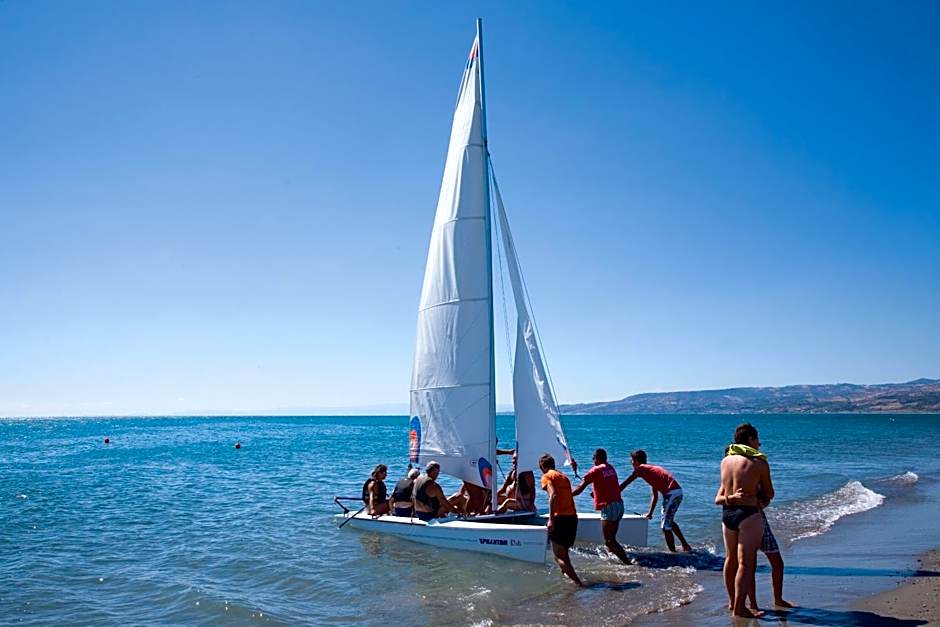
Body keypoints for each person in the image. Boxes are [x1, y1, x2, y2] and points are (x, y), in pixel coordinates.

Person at [723, 444, 794, 612]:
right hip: (753, 518)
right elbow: (769, 493)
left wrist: (735, 499)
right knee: (750, 564)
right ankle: (751, 604)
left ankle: (752, 603)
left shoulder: (732, 470)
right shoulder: (754, 467)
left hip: (740, 517)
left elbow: (720, 498)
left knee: (745, 563)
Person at [715, 423, 775, 618]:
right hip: (748, 514)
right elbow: (769, 492)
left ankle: (733, 602)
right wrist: (760, 499)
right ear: (750, 440)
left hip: (727, 513)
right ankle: (741, 608)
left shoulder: (725, 461)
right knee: (746, 563)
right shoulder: (758, 463)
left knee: (730, 559)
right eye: (757, 440)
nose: (759, 444)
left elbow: (722, 491)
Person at [620, 450, 693, 552]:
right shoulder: (650, 471)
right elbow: (655, 496)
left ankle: (673, 553)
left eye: (631, 460)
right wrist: (650, 513)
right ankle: (686, 546)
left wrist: (612, 494)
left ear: (636, 460)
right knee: (669, 521)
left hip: (672, 494)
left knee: (665, 527)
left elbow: (627, 482)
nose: (631, 463)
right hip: (676, 493)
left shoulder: (641, 468)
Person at [572, 448, 630, 564]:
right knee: (612, 539)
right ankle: (613, 559)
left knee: (609, 541)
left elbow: (580, 488)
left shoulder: (595, 470)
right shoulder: (610, 468)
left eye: (593, 458)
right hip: (619, 505)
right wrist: (596, 494)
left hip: (609, 507)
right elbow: (609, 485)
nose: (593, 460)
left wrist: (568, 496)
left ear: (596, 458)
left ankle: (629, 564)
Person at [539, 453, 583, 587]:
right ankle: (568, 582)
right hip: (572, 517)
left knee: (558, 557)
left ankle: (579, 583)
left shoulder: (547, 476)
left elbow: (553, 495)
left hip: (560, 518)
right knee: (565, 554)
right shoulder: (564, 477)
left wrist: (551, 519)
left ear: (542, 466)